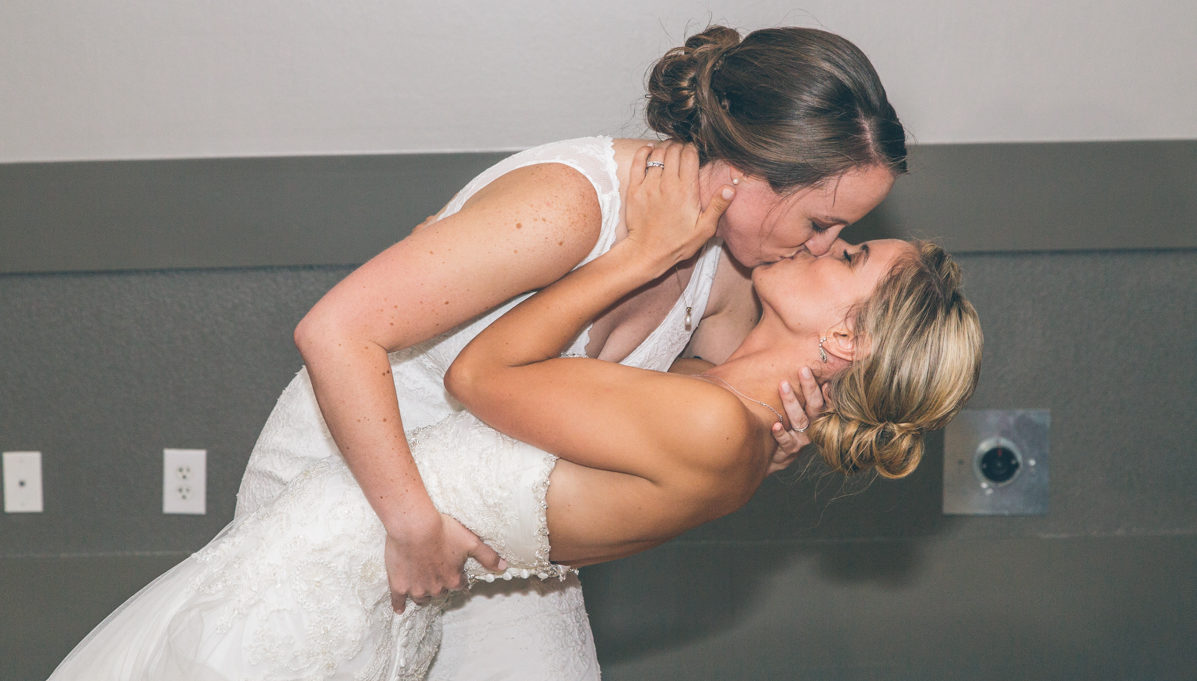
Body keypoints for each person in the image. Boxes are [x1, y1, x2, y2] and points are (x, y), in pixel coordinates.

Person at [47, 145, 982, 680]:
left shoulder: (715, 429)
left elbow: (481, 374)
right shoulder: (733, 421)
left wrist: (624, 260)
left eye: (852, 259)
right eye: (835, 229)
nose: (833, 242)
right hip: (339, 564)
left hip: (341, 571)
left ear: (848, 342)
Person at [242, 24, 910, 680]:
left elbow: (691, 399)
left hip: (502, 525)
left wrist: (773, 433)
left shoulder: (735, 268)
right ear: (745, 172)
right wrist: (412, 522)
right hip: (363, 480)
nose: (820, 245)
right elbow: (333, 331)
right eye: (820, 223)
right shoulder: (571, 206)